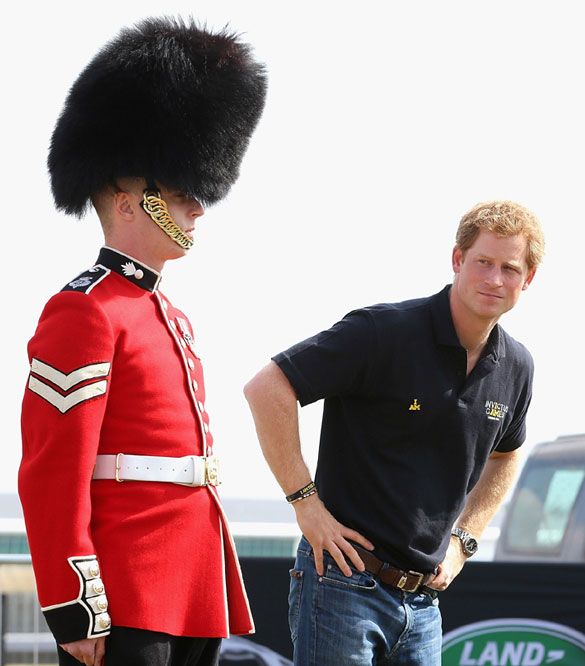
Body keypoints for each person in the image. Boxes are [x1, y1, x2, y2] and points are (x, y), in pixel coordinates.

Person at [19, 16, 266, 666]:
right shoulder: (84, 310)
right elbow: (52, 471)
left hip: (189, 577)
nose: (197, 209)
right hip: (126, 583)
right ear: (129, 200)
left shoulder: (170, 315)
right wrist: (74, 599)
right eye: (182, 193)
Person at [244, 201, 545, 666]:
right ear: (457, 260)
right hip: (342, 582)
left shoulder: (517, 366)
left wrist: (464, 542)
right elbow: (267, 388)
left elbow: (506, 456)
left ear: (528, 279)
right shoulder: (383, 331)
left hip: (423, 603)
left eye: (510, 268)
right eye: (484, 262)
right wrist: (305, 504)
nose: (494, 279)